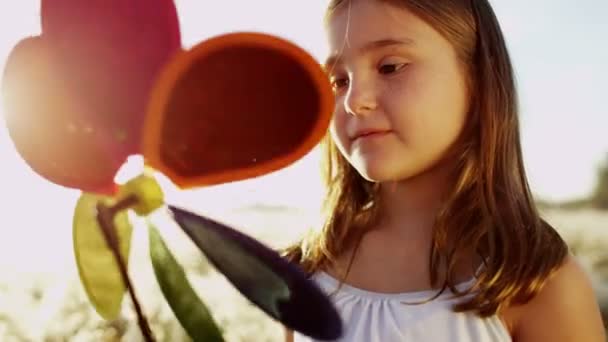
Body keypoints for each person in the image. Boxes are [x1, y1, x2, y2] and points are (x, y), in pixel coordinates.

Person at [281, 0, 606, 341]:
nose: (353, 100)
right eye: (338, 81)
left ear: (477, 79)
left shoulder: (535, 282)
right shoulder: (303, 274)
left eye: (390, 67)